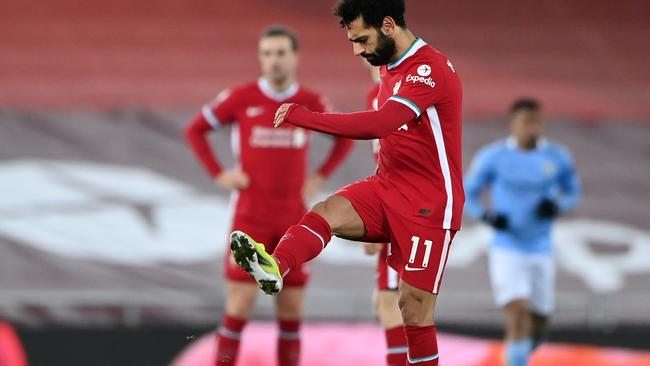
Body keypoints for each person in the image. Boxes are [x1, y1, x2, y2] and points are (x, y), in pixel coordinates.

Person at [229, 1, 464, 365]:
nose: (358, 50)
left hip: (428, 204)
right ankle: (275, 267)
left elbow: (379, 124)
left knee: (412, 308)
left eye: (362, 39)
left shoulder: (428, 69)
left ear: (388, 25)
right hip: (387, 186)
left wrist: (304, 117)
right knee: (327, 211)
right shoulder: (389, 66)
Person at [184, 25, 353, 366]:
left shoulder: (311, 101)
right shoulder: (241, 97)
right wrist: (220, 174)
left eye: (280, 53)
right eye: (266, 54)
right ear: (260, 58)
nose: (273, 61)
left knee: (290, 313)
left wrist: (320, 175)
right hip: (251, 217)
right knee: (240, 306)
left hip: (293, 218)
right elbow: (196, 129)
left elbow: (345, 136)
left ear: (294, 57)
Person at [464, 98, 581, 366]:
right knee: (517, 313)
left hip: (541, 249)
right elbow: (468, 193)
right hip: (507, 248)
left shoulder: (556, 157)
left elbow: (573, 191)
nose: (533, 127)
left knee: (539, 323)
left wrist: (557, 206)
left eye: (537, 121)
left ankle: (518, 357)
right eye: (527, 121)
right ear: (512, 124)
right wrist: (487, 217)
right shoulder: (493, 157)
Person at [362, 61, 407, 366]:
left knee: (394, 304)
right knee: (384, 301)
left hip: (402, 206)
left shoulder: (402, 93)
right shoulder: (375, 95)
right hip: (396, 201)